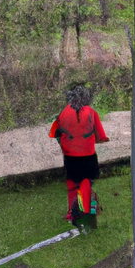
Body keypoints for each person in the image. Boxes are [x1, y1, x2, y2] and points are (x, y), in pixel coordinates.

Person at [49, 85, 109, 224]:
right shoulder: (91, 113)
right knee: (86, 181)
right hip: (88, 157)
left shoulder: (62, 114)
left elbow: (53, 133)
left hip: (70, 157)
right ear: (86, 98)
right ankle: (86, 211)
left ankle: (71, 213)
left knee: (71, 184)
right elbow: (101, 137)